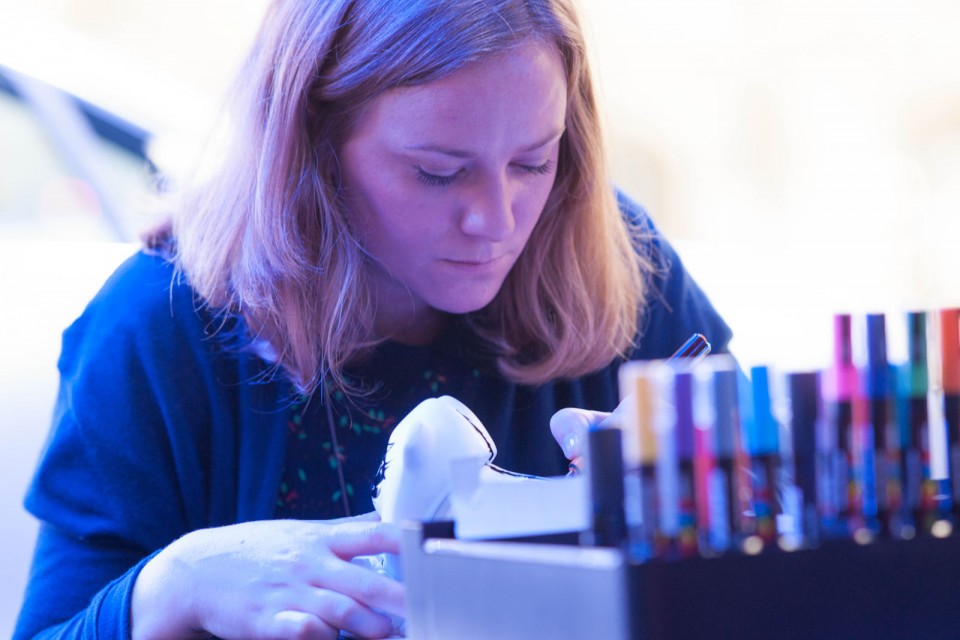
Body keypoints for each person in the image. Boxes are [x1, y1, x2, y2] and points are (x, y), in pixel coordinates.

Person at [14, 0, 733, 638]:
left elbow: (781, 554)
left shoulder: (608, 257)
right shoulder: (162, 327)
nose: (496, 220)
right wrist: (176, 586)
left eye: (532, 163)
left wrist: (696, 506)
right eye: (438, 172)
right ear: (312, 147)